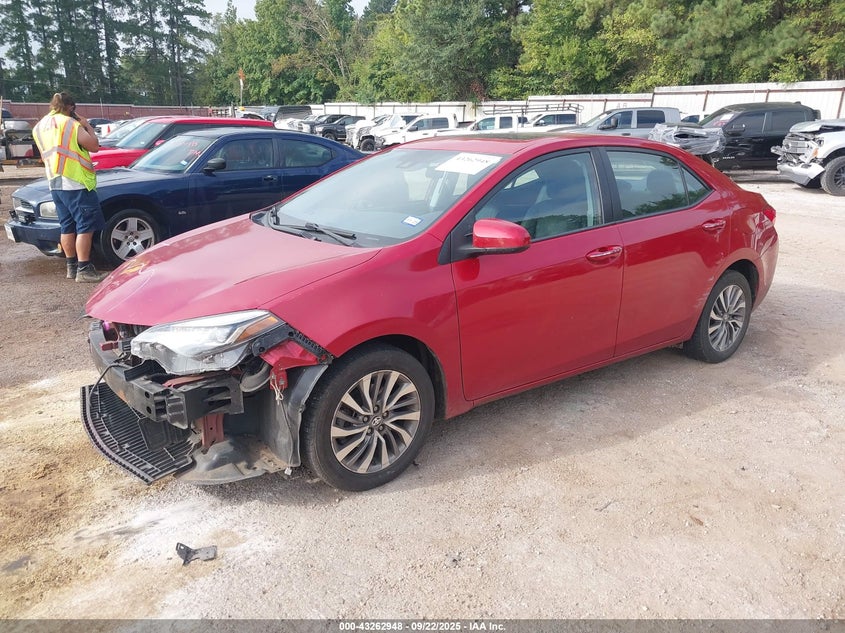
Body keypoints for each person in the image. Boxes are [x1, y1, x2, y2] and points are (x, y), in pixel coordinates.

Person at [32, 92, 108, 283]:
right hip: (75, 181)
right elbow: (94, 146)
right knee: (85, 226)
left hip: (55, 181)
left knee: (66, 226)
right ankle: (84, 269)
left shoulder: (40, 126)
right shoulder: (70, 124)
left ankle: (71, 266)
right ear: (71, 107)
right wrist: (87, 125)